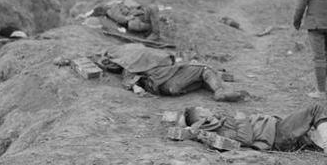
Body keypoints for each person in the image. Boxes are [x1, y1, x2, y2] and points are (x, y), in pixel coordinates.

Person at [180, 103, 327, 156]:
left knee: (326, 138)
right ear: (202, 119)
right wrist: (242, 120)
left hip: (275, 130)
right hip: (276, 134)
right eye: (202, 110)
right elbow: (245, 140)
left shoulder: (219, 121)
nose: (206, 108)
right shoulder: (218, 132)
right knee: (314, 110)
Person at [93, 43, 243, 102]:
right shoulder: (141, 52)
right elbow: (170, 61)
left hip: (165, 89)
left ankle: (202, 83)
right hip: (169, 80)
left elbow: (130, 81)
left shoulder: (127, 66)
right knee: (204, 68)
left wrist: (136, 87)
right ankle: (219, 90)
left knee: (191, 75)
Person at [91, 0, 161, 41]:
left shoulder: (113, 6)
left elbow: (119, 18)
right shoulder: (110, 10)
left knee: (151, 8)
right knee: (133, 24)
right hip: (137, 17)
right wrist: (128, 18)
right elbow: (119, 18)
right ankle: (153, 30)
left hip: (139, 15)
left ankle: (154, 32)